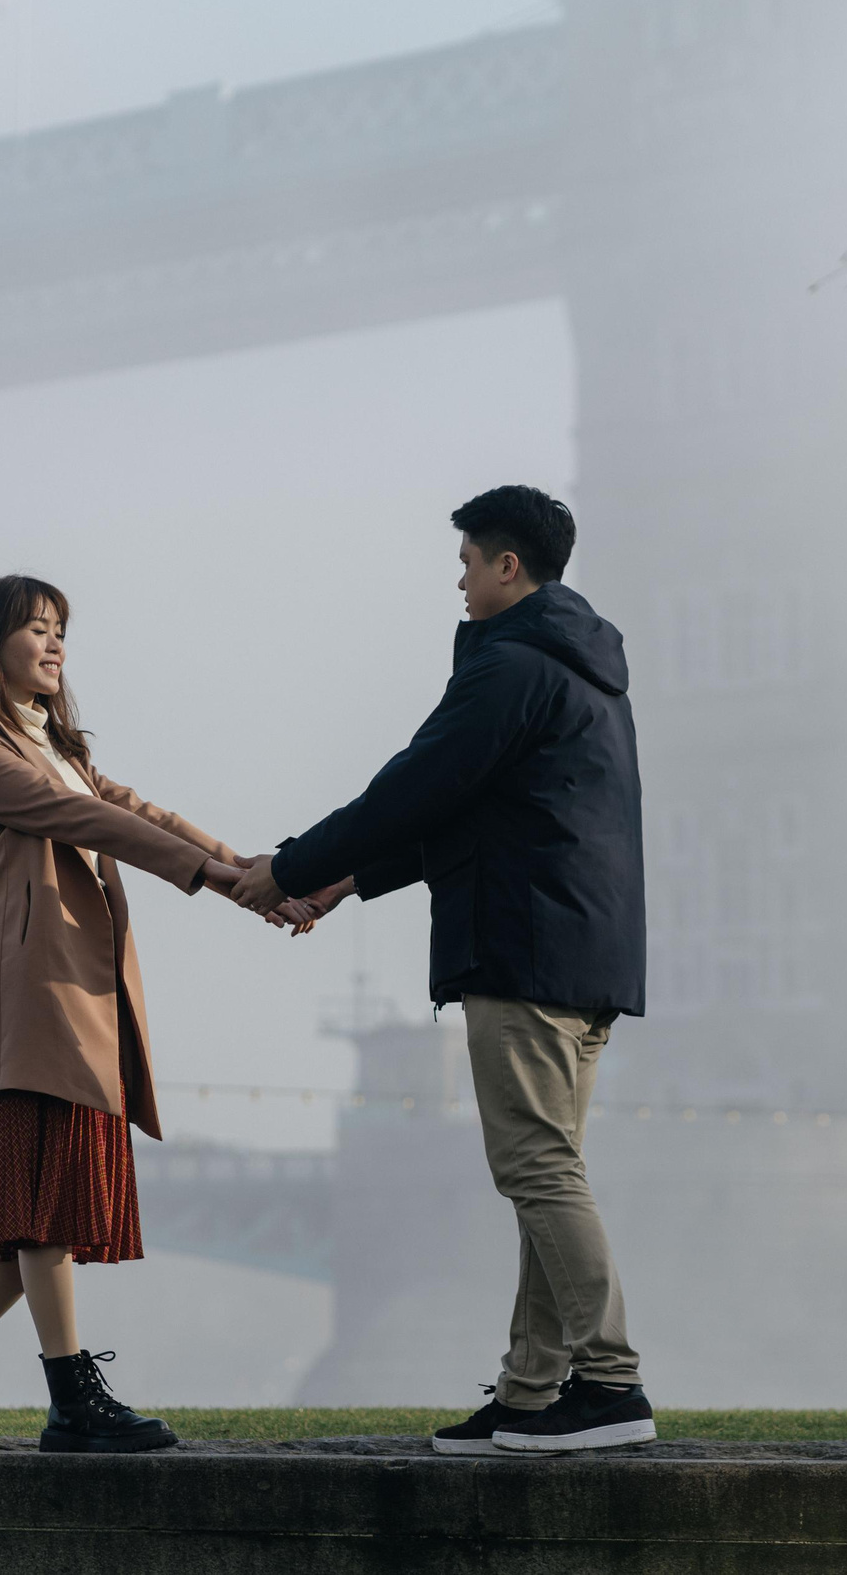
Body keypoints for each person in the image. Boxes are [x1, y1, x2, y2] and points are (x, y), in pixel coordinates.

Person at [234, 485, 654, 1455]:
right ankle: (531, 1393)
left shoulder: (511, 665)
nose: (458, 580)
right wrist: (347, 880)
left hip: (522, 947)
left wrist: (288, 867)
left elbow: (417, 786)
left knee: (535, 1168)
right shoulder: (584, 670)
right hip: (586, 953)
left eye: (467, 561)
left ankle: (611, 1381)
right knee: (549, 1171)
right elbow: (475, 811)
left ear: (508, 565)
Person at [0, 574, 310, 1452]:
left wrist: (258, 872)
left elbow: (138, 811)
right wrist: (215, 879)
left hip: (82, 987)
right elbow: (80, 817)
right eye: (36, 628)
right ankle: (71, 1396)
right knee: (48, 1199)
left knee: (47, 1199)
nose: (55, 644)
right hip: (32, 987)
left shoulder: (59, 747)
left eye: (60, 630)